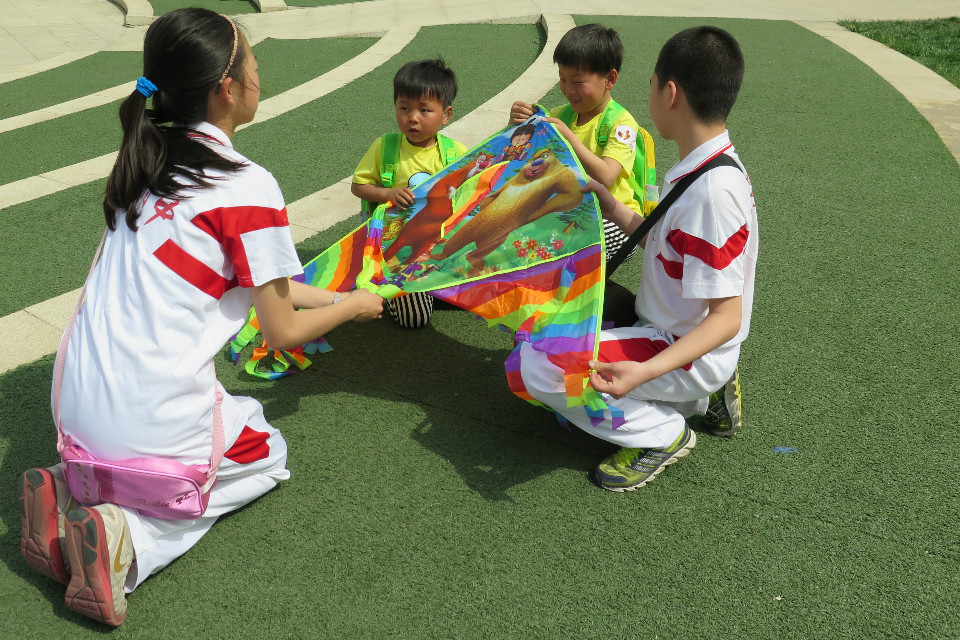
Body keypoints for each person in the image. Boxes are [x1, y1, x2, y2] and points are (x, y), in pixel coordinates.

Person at [17, 8, 383, 626]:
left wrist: (339, 297)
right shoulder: (247, 186)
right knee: (267, 450)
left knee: (203, 428)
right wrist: (351, 307)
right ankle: (128, 538)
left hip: (74, 409)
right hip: (148, 420)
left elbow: (261, 286)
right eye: (256, 66)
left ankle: (72, 485)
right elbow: (281, 330)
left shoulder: (143, 161)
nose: (261, 78)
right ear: (227, 88)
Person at [517, 26, 756, 492]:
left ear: (670, 93)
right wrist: (614, 208)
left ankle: (665, 433)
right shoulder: (705, 164)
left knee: (536, 364)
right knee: (558, 319)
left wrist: (643, 372)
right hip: (666, 327)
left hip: (677, 347)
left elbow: (727, 317)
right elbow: (669, 248)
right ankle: (700, 396)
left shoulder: (711, 195)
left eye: (650, 85)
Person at [509, 23, 646, 262]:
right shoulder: (560, 115)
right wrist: (517, 125)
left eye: (577, 81)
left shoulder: (622, 124)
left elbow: (606, 177)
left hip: (616, 220)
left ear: (609, 79)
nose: (568, 89)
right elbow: (520, 158)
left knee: (557, 240)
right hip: (569, 209)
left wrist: (569, 138)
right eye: (563, 79)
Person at [351, 58, 468, 328]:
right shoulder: (385, 146)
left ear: (446, 115)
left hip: (439, 246)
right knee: (414, 320)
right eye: (404, 108)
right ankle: (392, 291)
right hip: (394, 249)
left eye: (424, 110)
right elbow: (359, 186)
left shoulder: (456, 153)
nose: (412, 117)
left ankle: (432, 288)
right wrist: (388, 193)